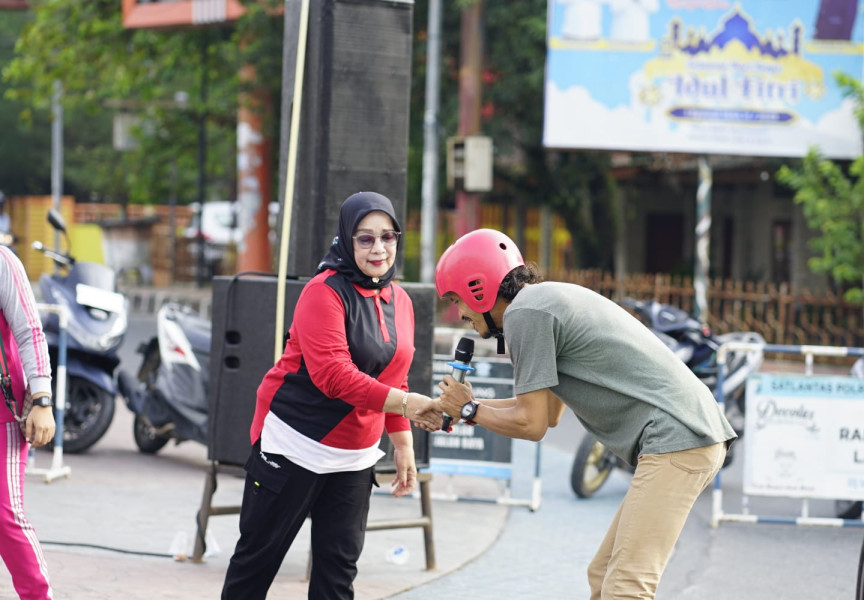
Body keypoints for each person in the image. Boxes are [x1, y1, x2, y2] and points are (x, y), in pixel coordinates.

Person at [431, 229, 736, 600]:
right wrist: (464, 409)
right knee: (604, 573)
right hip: (685, 435)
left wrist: (469, 408)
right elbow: (548, 414)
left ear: (477, 288)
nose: (459, 313)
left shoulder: (525, 316)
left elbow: (532, 424)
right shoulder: (540, 303)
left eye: (456, 299)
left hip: (678, 438)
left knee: (626, 586)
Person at [221, 191, 442, 600]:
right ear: (346, 239)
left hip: (354, 458)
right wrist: (410, 407)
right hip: (294, 445)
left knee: (337, 576)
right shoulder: (323, 292)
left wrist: (402, 441)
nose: (379, 248)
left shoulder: (402, 301)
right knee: (256, 565)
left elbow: (396, 375)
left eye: (388, 237)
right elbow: (334, 377)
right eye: (365, 238)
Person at [0, 245, 55, 599]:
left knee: (5, 515)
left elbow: (30, 331)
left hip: (3, 414)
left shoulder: (3, 262)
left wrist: (42, 400)